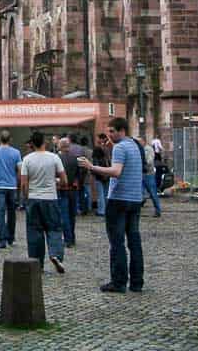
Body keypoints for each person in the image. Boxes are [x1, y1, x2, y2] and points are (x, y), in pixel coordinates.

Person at [80, 117, 144, 293]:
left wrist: (91, 167)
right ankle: (137, 282)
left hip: (119, 199)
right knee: (134, 241)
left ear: (121, 130)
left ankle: (119, 281)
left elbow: (116, 172)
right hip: (135, 199)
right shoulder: (134, 145)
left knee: (117, 242)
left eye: (112, 131)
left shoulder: (120, 147)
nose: (109, 135)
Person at [20, 131, 67, 273]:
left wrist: (26, 197)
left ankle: (36, 263)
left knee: (34, 232)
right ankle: (56, 255)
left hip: (33, 198)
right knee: (54, 229)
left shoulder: (27, 159)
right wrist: (57, 185)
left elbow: (23, 183)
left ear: (32, 144)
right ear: (44, 143)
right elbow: (64, 179)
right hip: (50, 198)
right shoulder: (54, 158)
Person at [0, 130, 21, 249]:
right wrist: (17, 182)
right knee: (12, 213)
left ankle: (2, 240)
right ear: (10, 140)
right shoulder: (16, 152)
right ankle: (11, 238)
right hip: (12, 186)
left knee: (0, 214)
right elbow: (19, 169)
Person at [57, 136, 83, 248]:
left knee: (64, 215)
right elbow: (80, 173)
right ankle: (72, 237)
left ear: (60, 146)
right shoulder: (75, 158)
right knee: (72, 215)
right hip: (73, 189)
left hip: (62, 189)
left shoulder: (57, 158)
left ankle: (68, 239)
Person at [139, 137, 161, 217]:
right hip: (140, 174)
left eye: (139, 141)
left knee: (152, 193)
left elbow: (149, 161)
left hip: (148, 174)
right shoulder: (139, 149)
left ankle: (158, 210)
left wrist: (141, 161)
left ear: (143, 141)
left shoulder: (148, 149)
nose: (138, 143)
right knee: (139, 193)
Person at [91, 133, 110, 217]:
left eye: (98, 138)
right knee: (106, 193)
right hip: (108, 172)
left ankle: (101, 210)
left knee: (100, 193)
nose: (97, 140)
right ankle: (107, 209)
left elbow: (95, 161)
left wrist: (94, 171)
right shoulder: (108, 148)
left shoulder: (97, 149)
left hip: (100, 173)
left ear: (101, 139)